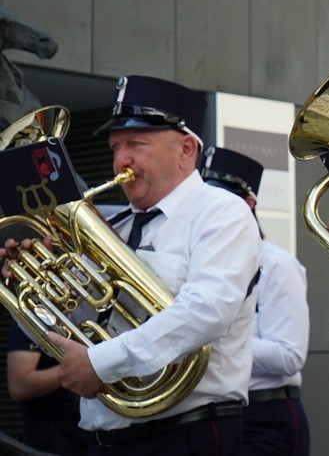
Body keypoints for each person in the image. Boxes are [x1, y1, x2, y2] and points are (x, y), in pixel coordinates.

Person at [1, 75, 263, 453]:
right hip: (104, 438)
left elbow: (207, 311)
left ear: (186, 149)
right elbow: (82, 321)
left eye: (136, 144)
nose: (120, 160)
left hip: (186, 436)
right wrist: (33, 286)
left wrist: (100, 363)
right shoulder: (117, 225)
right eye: (115, 147)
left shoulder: (222, 213)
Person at [199, 146, 311, 456]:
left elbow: (290, 356)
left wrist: (213, 337)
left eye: (222, 202)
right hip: (219, 415)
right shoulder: (204, 263)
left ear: (249, 204)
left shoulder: (277, 264)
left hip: (267, 415)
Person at [6, 320, 86, 454]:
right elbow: (19, 386)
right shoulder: (34, 320)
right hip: (54, 435)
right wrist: (86, 363)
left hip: (94, 430)